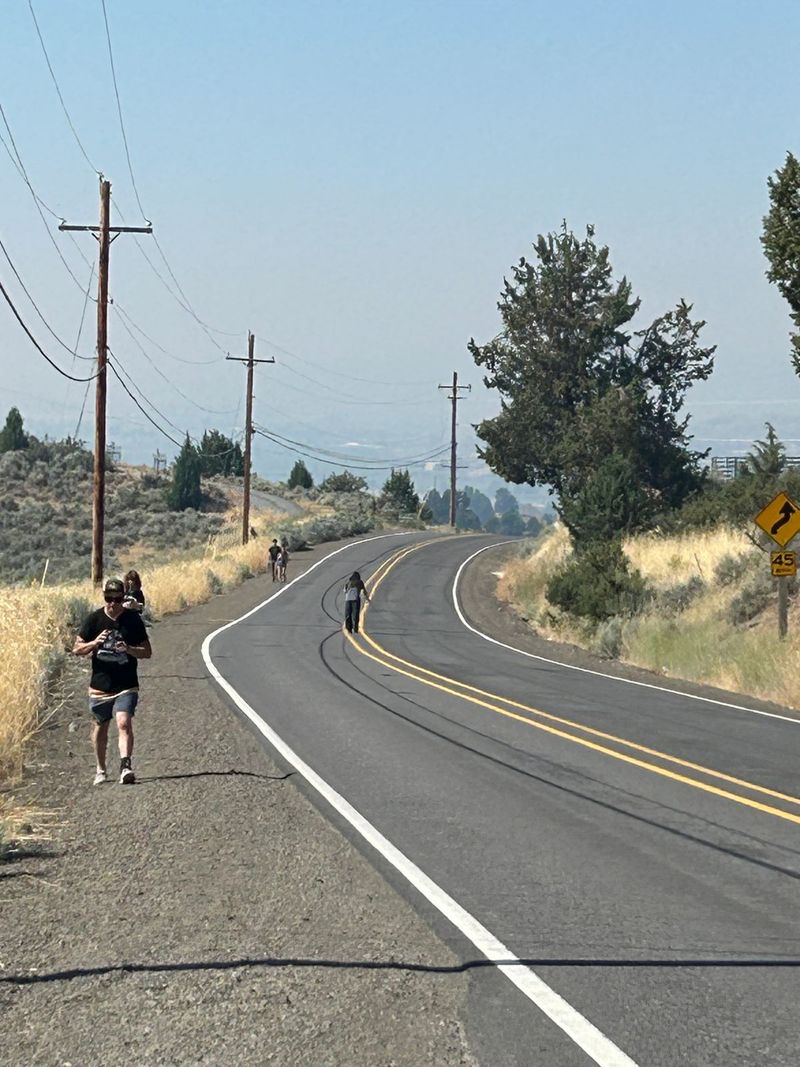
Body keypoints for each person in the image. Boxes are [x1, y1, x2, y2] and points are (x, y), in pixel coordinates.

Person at [73, 577, 152, 785]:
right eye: (108, 598)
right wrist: (94, 643)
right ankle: (100, 769)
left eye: (117, 599)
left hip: (126, 683)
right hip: (100, 686)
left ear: (122, 598)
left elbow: (147, 651)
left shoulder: (133, 620)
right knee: (101, 727)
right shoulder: (94, 620)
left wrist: (129, 649)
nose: (112, 603)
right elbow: (77, 649)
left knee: (124, 722)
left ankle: (126, 766)